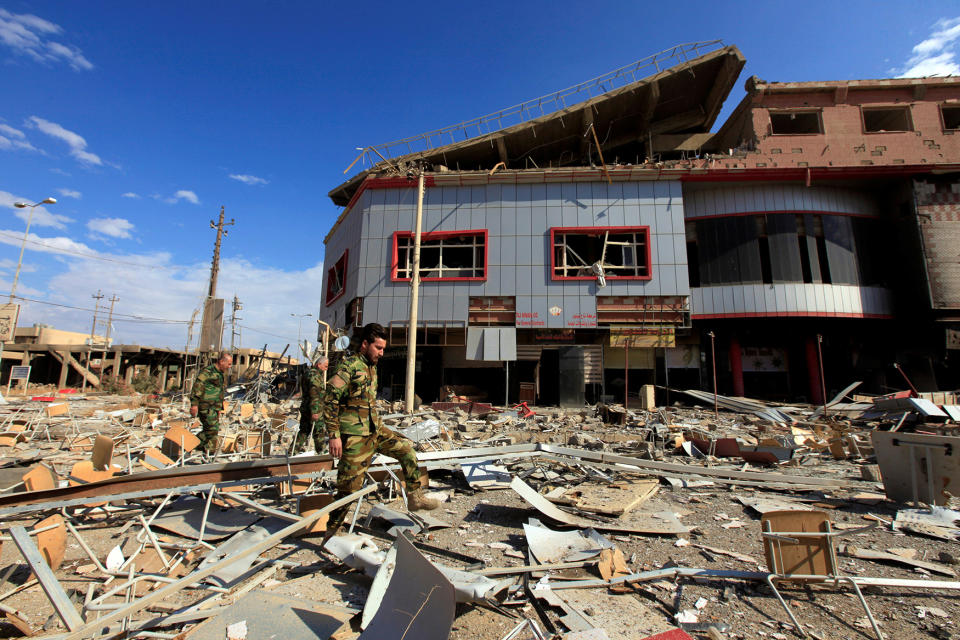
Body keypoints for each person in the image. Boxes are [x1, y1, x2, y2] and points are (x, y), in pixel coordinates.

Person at [322, 323, 438, 540]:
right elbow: (329, 400)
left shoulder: (372, 367)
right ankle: (332, 532)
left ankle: (414, 497)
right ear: (365, 344)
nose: (382, 353)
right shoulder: (348, 367)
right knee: (349, 490)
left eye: (383, 348)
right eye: (378, 348)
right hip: (355, 437)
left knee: (406, 450)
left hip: (376, 431)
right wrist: (333, 435)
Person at [189, 351, 232, 454]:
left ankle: (193, 444)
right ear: (222, 361)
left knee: (209, 429)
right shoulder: (208, 371)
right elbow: (197, 386)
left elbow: (218, 392)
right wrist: (194, 405)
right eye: (229, 364)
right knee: (213, 429)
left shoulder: (220, 373)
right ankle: (209, 453)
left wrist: (219, 409)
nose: (229, 367)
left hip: (214, 407)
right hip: (205, 406)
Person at [294, 355, 328, 453]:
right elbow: (314, 394)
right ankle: (322, 453)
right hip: (313, 409)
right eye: (325, 366)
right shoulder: (315, 376)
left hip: (306, 407)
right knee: (319, 432)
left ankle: (293, 451)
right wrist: (315, 411)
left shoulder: (308, 373)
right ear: (319, 364)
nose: (326, 369)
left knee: (304, 431)